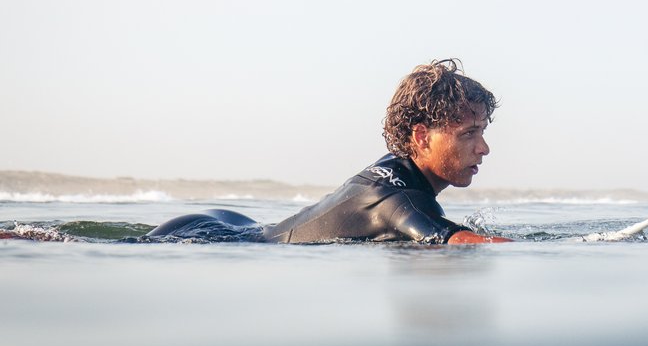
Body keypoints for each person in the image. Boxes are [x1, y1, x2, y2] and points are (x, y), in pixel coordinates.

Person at [147, 59, 510, 244]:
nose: (484, 148)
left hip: (232, 224)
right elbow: (453, 240)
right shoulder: (400, 201)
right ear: (421, 136)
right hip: (204, 236)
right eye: (469, 134)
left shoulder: (399, 175)